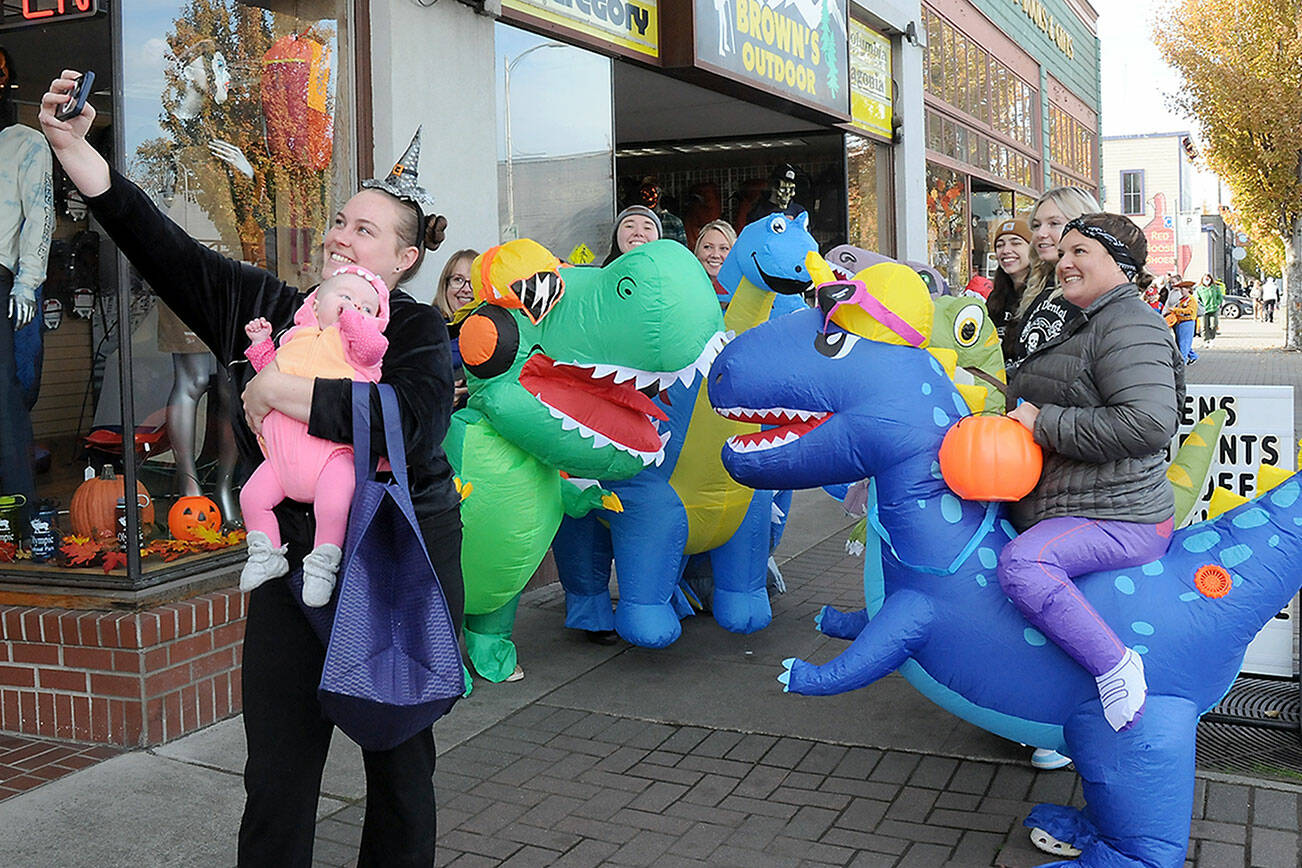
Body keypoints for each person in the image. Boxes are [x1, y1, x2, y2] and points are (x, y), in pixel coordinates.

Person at [40, 72, 460, 867]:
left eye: (365, 231)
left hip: (392, 565)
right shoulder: (272, 310)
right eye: (339, 221)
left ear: (404, 259)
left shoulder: (416, 331)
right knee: (275, 775)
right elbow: (162, 245)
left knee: (401, 772)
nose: (340, 237)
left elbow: (412, 424)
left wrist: (284, 390)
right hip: (287, 567)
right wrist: (74, 150)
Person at [999, 212, 1182, 734]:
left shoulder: (1129, 323)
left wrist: (1044, 424)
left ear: (1118, 264)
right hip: (1072, 503)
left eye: (1081, 252)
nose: (1065, 261)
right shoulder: (1079, 319)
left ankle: (1117, 668)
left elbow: (1148, 423)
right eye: (1064, 251)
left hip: (1120, 516)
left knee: (1024, 565)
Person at [240, 266, 390, 607]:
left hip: (331, 455)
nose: (356, 307)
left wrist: (354, 319)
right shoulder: (295, 338)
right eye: (345, 297)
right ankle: (265, 552)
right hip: (283, 458)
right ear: (316, 304)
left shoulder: (356, 346)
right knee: (251, 496)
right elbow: (271, 373)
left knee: (334, 504)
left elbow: (371, 349)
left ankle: (323, 565)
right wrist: (262, 344)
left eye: (369, 308)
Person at [0, 47, 50, 531]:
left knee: (9, 397)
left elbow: (39, 215)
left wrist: (27, 283)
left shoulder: (24, 143)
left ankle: (15, 516)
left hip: (5, 279)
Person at [1008, 186, 1102, 374]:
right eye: (1036, 225)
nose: (1041, 233)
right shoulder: (1039, 288)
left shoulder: (1095, 292)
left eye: (1054, 223)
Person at [983, 216, 1033, 362]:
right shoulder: (995, 297)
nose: (1006, 250)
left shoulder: (1044, 295)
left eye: (1016, 243)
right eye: (1000, 245)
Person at [433, 249, 478, 410]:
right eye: (458, 279)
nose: (466, 289)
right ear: (445, 286)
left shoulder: (500, 335)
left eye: (474, 282)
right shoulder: (425, 330)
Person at [693, 218, 735, 308]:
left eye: (724, 248)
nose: (715, 255)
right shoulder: (685, 288)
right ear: (697, 251)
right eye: (708, 247)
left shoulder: (743, 292)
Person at [1165, 279, 1198, 365]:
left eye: (1183, 289)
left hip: (1187, 322)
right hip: (1180, 323)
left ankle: (1182, 362)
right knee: (1181, 342)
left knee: (1184, 343)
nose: (1181, 291)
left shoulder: (1191, 300)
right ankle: (1193, 356)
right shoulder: (1183, 299)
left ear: (1188, 289)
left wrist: (1175, 310)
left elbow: (1190, 311)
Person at [1194, 273, 1224, 343]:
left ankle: (1212, 337)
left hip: (1213, 309)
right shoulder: (1199, 289)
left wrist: (1217, 303)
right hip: (1203, 310)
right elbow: (1196, 298)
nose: (1207, 280)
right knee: (1204, 326)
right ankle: (1206, 340)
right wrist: (1200, 305)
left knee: (1214, 325)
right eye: (1205, 279)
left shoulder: (1215, 288)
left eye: (1208, 279)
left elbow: (1220, 297)